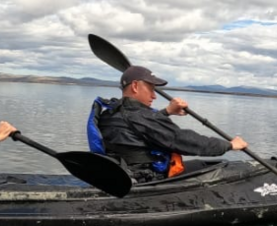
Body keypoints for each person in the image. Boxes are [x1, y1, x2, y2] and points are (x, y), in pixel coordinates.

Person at [88, 65, 248, 181]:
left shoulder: (111, 111)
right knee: (215, 167)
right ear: (135, 86)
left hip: (123, 172)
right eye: (151, 89)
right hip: (147, 178)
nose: (154, 96)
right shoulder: (142, 116)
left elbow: (137, 129)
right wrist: (229, 145)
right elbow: (184, 141)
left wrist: (167, 112)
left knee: (208, 163)